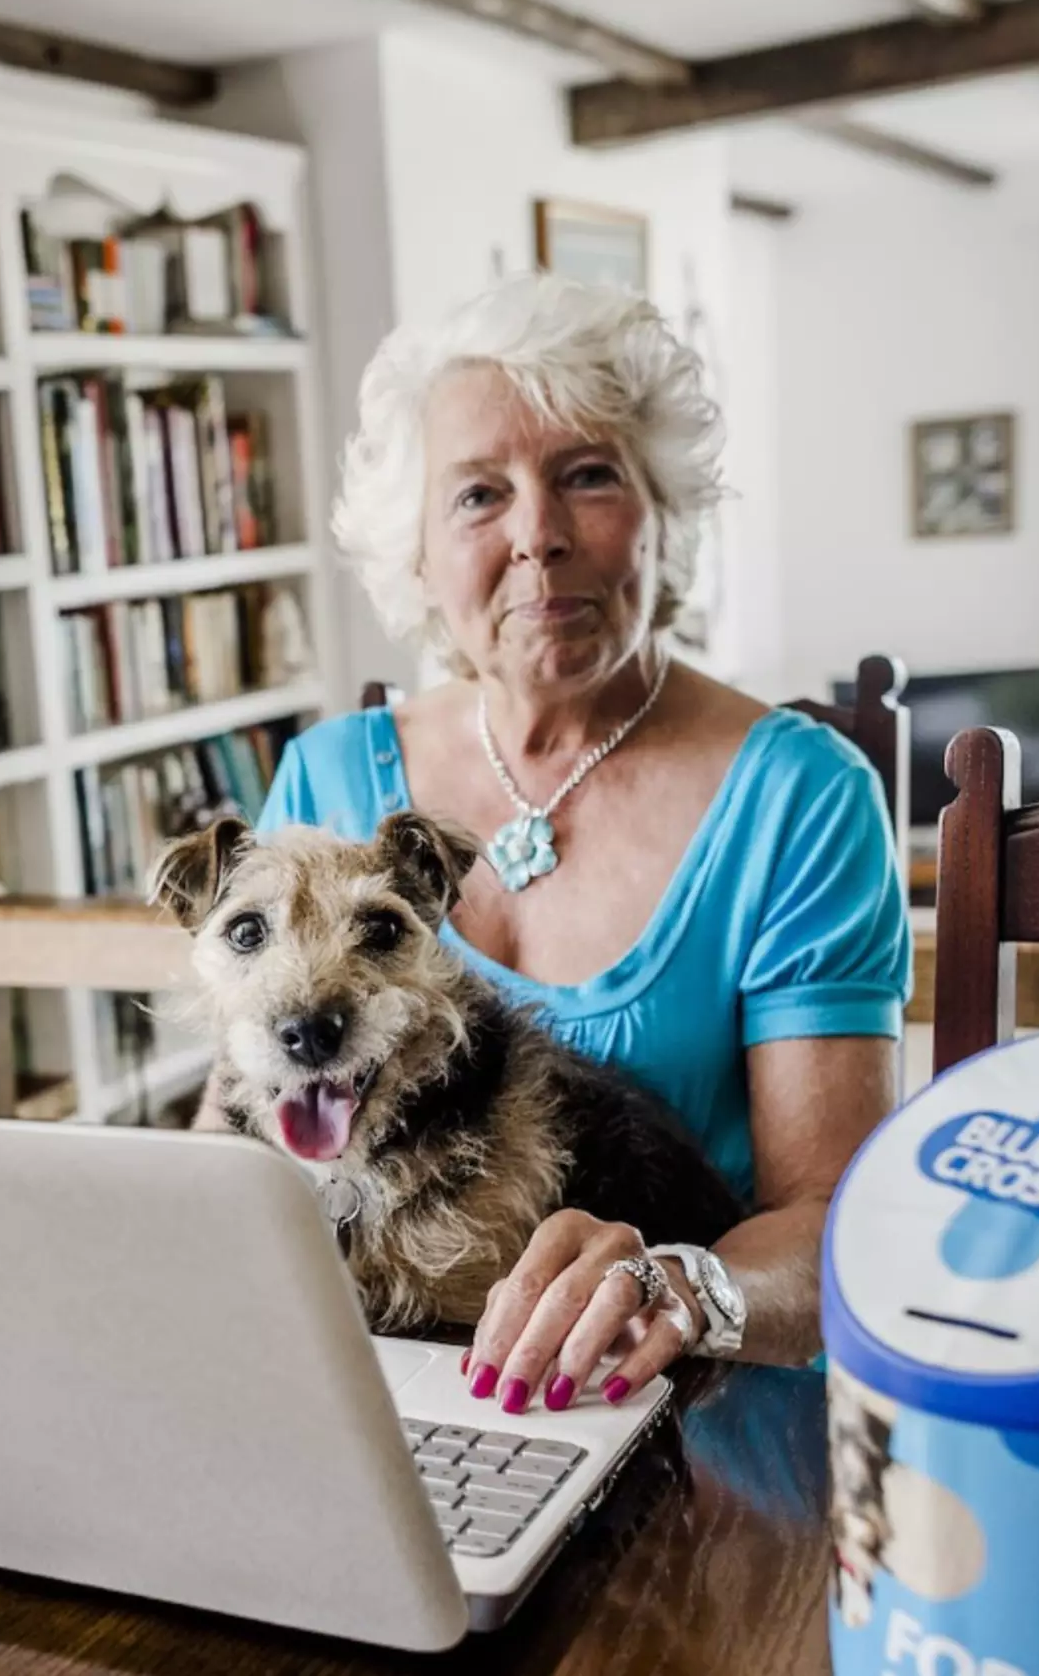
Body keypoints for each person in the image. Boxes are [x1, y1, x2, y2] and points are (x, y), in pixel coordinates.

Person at [254, 271, 907, 1411]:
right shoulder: (324, 780)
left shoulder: (800, 800)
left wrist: (682, 1289)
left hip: (687, 1410)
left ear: (665, 509)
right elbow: (243, 1118)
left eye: (587, 476)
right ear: (414, 554)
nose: (537, 537)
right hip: (374, 1394)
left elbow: (834, 1223)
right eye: (475, 497)